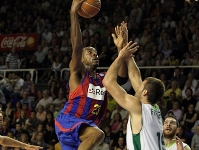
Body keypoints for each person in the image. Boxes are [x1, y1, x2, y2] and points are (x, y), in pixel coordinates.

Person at [54, 0, 128, 149]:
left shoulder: (103, 78)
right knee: (99, 134)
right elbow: (77, 47)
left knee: (96, 135)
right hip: (70, 121)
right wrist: (73, 14)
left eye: (95, 52)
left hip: (84, 129)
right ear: (81, 58)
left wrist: (122, 49)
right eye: (89, 52)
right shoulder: (78, 73)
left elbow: (122, 76)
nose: (94, 55)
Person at [103, 36, 165, 149]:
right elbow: (134, 76)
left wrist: (120, 57)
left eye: (141, 85)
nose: (137, 86)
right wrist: (125, 46)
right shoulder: (155, 108)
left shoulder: (139, 107)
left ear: (145, 92)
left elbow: (107, 81)